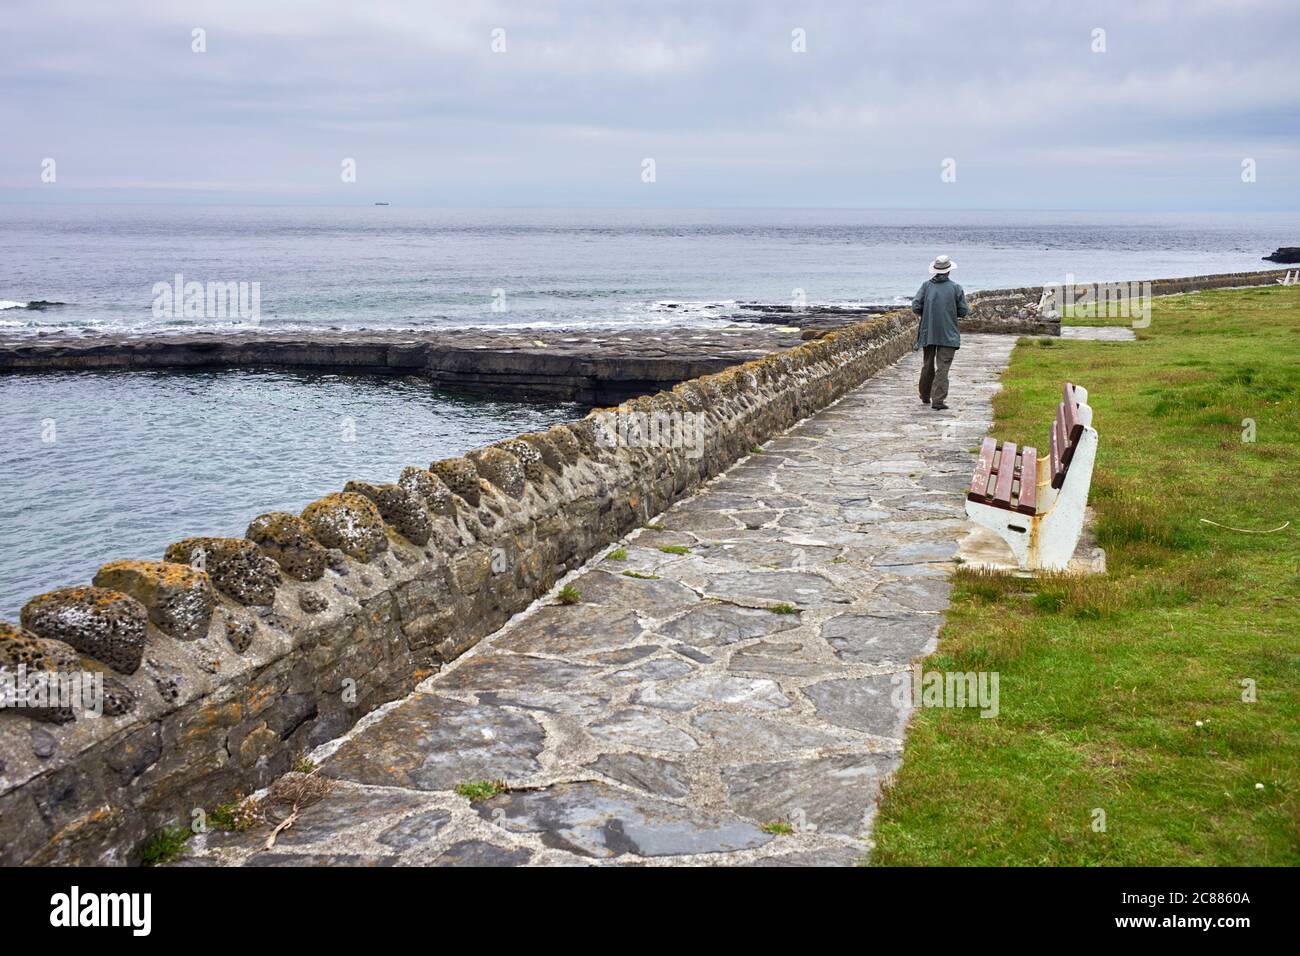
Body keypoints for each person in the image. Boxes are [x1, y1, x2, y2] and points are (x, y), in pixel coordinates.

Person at [911, 254, 969, 411]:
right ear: (949, 271)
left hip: (928, 331)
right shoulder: (956, 288)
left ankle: (925, 395)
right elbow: (963, 311)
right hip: (948, 333)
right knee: (943, 367)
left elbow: (916, 306)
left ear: (935, 271)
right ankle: (938, 400)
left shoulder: (926, 286)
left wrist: (928, 311)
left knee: (927, 365)